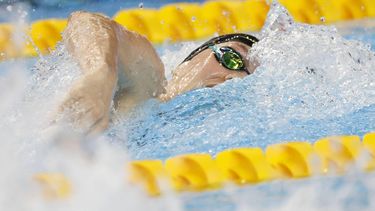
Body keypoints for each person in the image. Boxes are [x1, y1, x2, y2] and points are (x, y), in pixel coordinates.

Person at [56, 11, 259, 135]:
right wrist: (100, 73)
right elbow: (84, 22)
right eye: (231, 58)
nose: (235, 77)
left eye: (247, 77)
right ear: (184, 65)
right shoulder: (148, 84)